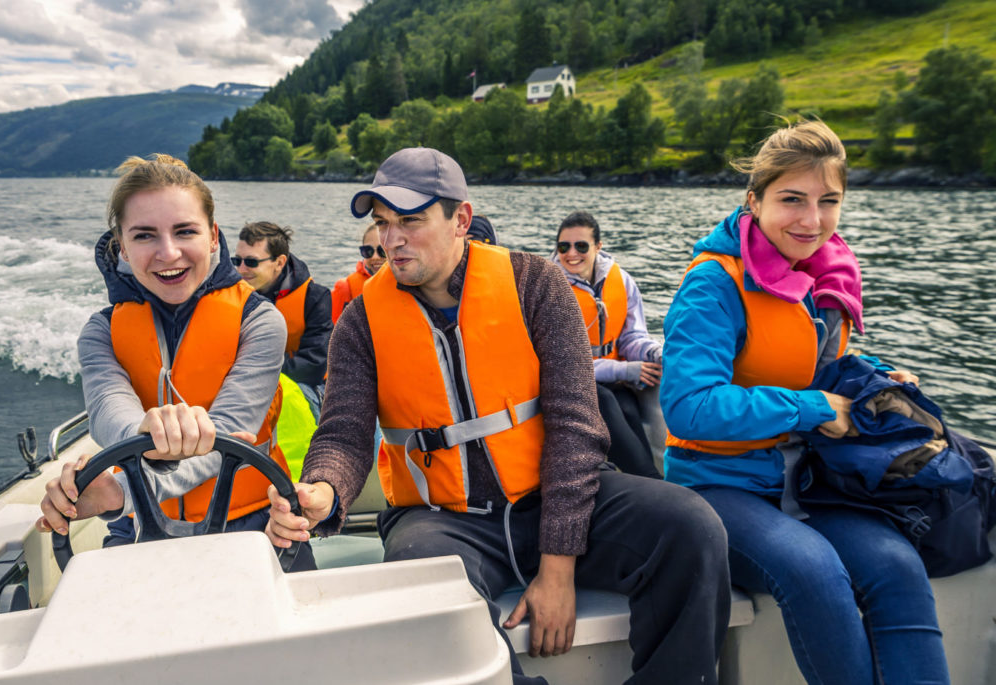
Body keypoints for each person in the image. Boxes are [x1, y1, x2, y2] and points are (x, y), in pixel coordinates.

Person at [265, 147, 731, 684]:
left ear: (461, 219)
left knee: (690, 527)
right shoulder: (360, 322)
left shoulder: (536, 283)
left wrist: (559, 566)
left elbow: (576, 427)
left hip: (558, 497)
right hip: (443, 518)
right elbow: (344, 434)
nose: (392, 240)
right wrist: (321, 491)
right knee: (420, 582)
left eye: (411, 221)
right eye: (383, 223)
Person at [661, 121, 946, 684]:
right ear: (754, 201)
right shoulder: (713, 286)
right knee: (813, 571)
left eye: (828, 201)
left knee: (896, 566)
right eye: (792, 200)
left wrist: (880, 379)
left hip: (811, 481)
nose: (811, 221)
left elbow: (812, 366)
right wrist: (812, 408)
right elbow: (688, 406)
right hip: (720, 486)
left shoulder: (820, 278)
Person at [36, 154, 314, 571]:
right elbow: (110, 414)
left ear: (213, 236)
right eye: (145, 236)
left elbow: (229, 439)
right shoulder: (100, 333)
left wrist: (120, 493)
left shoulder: (259, 321)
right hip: (137, 526)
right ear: (122, 246)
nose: (169, 253)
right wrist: (143, 434)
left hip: (258, 523)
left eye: (185, 232)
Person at [553, 211, 663, 479]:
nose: (571, 253)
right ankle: (653, 483)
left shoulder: (622, 281)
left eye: (581, 246)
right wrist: (623, 371)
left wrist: (655, 354)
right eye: (563, 246)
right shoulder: (550, 289)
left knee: (628, 408)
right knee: (606, 403)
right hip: (568, 382)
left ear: (598, 247)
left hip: (610, 375)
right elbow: (562, 364)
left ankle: (643, 482)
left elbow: (631, 338)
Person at [234, 221, 332, 418]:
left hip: (302, 386)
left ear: (279, 262)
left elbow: (314, 365)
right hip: (242, 384)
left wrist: (258, 371)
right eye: (237, 261)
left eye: (251, 262)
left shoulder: (315, 297)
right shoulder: (227, 295)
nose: (241, 269)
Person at [330, 222, 384, 324]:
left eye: (382, 251)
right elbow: (332, 334)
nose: (375, 257)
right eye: (368, 251)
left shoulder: (410, 284)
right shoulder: (345, 288)